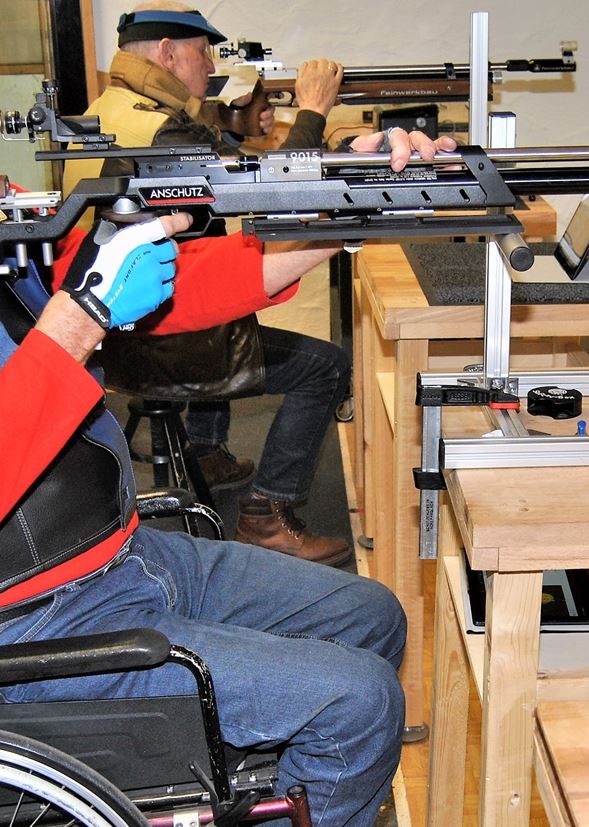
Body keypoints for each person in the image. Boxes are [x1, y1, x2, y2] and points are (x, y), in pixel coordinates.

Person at [0, 1, 454, 825]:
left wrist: (342, 211)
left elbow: (184, 284)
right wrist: (79, 317)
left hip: (115, 556)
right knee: (354, 701)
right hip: (14, 626)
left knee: (369, 611)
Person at [62, 2, 356, 566]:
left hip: (108, 322)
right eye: (204, 52)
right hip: (163, 338)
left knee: (213, 271)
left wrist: (232, 126)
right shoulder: (167, 128)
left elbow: (197, 159)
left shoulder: (109, 109)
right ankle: (267, 512)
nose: (210, 64)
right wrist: (313, 111)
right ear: (170, 53)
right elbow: (285, 197)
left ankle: (207, 449)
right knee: (326, 365)